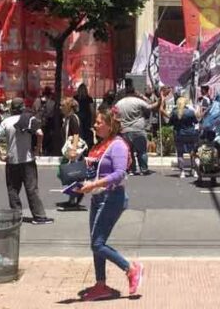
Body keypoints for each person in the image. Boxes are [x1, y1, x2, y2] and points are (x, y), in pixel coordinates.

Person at [76, 107, 144, 302]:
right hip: (98, 197)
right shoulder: (101, 144)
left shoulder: (118, 145)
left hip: (112, 197)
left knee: (97, 244)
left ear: (110, 125)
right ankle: (100, 285)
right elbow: (95, 169)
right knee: (96, 243)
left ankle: (130, 269)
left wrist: (94, 184)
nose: (95, 125)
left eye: (99, 122)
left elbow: (119, 173)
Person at [0, 98, 53, 224]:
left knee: (13, 189)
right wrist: (38, 148)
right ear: (23, 107)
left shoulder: (6, 122)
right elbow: (40, 134)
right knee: (32, 189)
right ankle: (39, 216)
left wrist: (0, 156)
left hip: (12, 160)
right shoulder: (29, 119)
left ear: (11, 109)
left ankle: (16, 215)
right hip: (27, 160)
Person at [113, 80, 166, 176]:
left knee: (129, 151)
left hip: (125, 130)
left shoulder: (119, 103)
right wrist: (160, 99)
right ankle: (144, 169)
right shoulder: (138, 101)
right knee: (142, 151)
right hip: (138, 129)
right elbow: (151, 107)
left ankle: (131, 169)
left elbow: (114, 115)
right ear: (133, 92)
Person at [58, 97, 88, 211]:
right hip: (68, 151)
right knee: (69, 175)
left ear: (69, 107)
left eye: (62, 105)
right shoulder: (67, 118)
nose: (60, 107)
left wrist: (73, 149)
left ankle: (75, 199)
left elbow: (76, 134)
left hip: (73, 151)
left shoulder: (73, 118)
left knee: (73, 174)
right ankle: (73, 198)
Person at [171, 96, 199, 179]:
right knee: (193, 152)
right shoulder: (190, 112)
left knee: (180, 153)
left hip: (179, 134)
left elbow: (170, 122)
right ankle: (194, 171)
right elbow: (196, 121)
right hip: (190, 134)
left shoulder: (174, 112)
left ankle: (182, 172)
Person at [75, 84, 96, 148]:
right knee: (87, 133)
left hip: (78, 117)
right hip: (87, 118)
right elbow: (92, 110)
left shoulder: (75, 98)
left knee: (78, 133)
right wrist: (93, 120)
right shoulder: (89, 99)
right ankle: (87, 147)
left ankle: (79, 146)